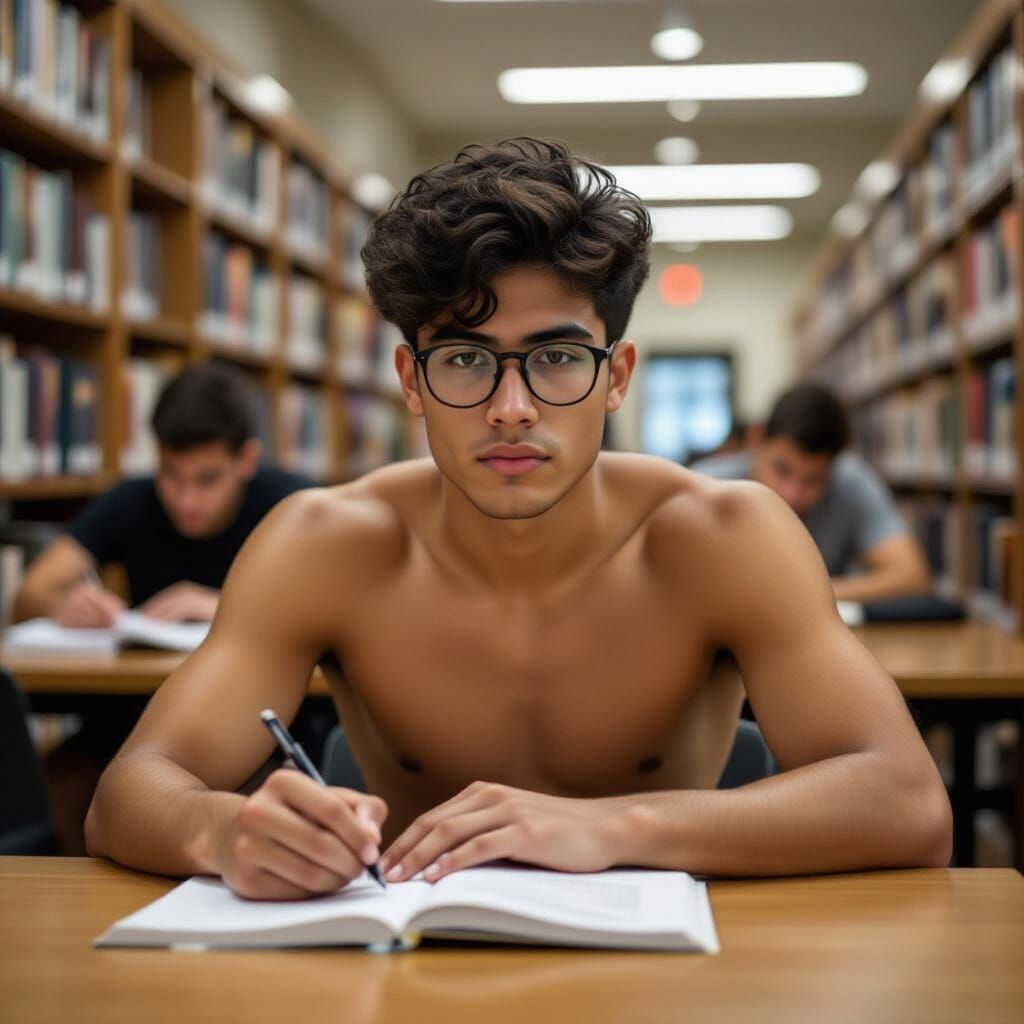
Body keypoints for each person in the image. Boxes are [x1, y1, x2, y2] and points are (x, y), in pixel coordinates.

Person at [86, 138, 951, 899]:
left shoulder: (725, 535)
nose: (511, 408)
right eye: (465, 358)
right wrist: (223, 831)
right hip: (404, 975)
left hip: (666, 977)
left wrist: (612, 829)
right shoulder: (325, 545)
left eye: (557, 357)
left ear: (616, 377)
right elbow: (132, 790)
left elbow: (908, 803)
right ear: (411, 379)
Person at [14, 363, 309, 626]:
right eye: (171, 474)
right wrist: (62, 606)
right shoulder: (131, 500)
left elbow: (340, 606)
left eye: (208, 480)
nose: (186, 501)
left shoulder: (293, 506)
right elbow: (32, 591)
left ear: (247, 460)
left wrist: (227, 609)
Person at [693, 385, 931, 604]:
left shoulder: (850, 481)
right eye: (782, 470)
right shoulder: (705, 485)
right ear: (757, 440)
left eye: (813, 480)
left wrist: (800, 596)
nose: (792, 494)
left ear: (834, 466)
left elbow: (911, 576)